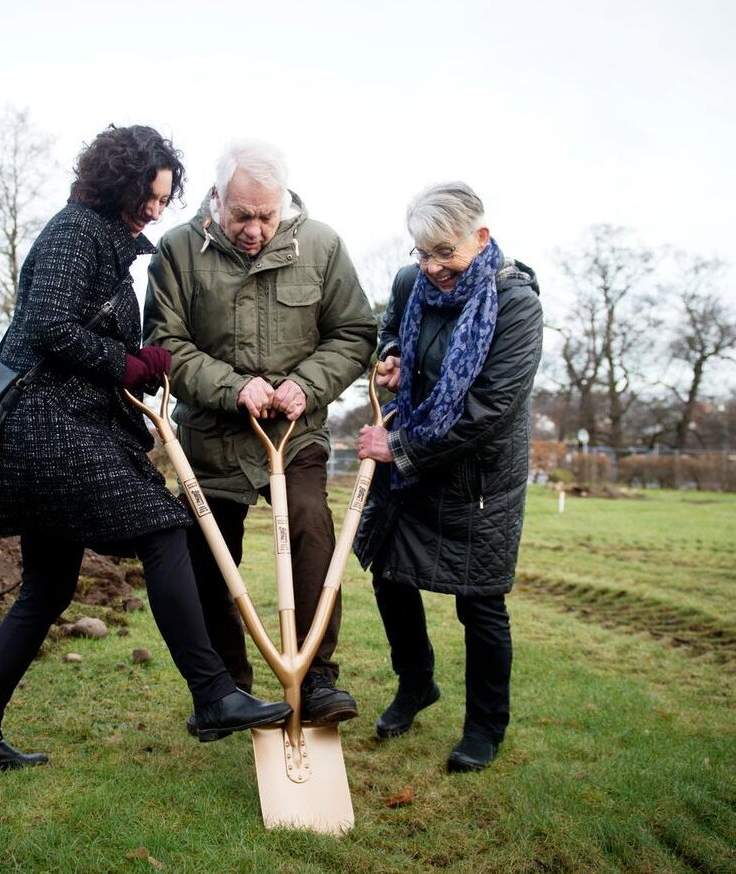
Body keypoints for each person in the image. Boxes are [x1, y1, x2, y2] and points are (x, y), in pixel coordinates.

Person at [0, 125, 291, 770]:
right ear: (121, 187)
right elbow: (46, 325)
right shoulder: (73, 234)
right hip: (49, 430)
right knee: (165, 529)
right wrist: (125, 364)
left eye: (166, 197)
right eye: (152, 197)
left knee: (45, 592)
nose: (159, 209)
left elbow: (76, 327)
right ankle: (213, 693)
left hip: (57, 430)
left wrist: (136, 360)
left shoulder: (101, 241)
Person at [143, 139, 376, 730]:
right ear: (217, 199)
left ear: (283, 205)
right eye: (242, 215)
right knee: (209, 563)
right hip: (211, 439)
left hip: (294, 436)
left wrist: (307, 383)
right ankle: (226, 691)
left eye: (266, 216)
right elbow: (164, 344)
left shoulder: (321, 246)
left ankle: (317, 680)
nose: (254, 229)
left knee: (310, 530)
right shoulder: (176, 251)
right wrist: (231, 386)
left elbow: (353, 332)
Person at [354, 182, 542, 772]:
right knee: (389, 574)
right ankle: (416, 684)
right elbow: (391, 329)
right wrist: (388, 353)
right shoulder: (412, 283)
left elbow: (489, 410)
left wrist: (399, 447)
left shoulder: (516, 305)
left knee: (480, 604)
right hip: (411, 469)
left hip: (477, 480)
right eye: (422, 253)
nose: (433, 267)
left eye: (446, 252)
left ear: (480, 238)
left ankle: (485, 726)